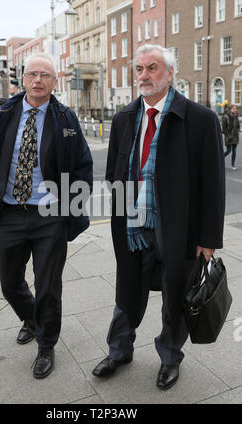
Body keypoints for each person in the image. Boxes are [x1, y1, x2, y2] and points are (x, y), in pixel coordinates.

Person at [92, 44, 225, 390]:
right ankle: (119, 350)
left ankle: (169, 357)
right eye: (139, 69)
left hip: (178, 229)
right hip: (134, 228)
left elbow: (213, 185)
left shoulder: (200, 119)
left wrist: (208, 240)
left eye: (152, 68)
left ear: (170, 74)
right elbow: (114, 174)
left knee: (174, 297)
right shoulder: (123, 119)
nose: (144, 76)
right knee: (127, 295)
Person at [0, 54, 93, 379]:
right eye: (33, 74)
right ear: (23, 79)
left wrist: (71, 206)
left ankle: (46, 345)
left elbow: (82, 165)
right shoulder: (1, 112)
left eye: (45, 75)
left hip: (50, 215)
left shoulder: (65, 118)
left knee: (49, 286)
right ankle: (32, 318)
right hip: (7, 211)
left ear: (54, 81)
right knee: (8, 280)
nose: (38, 80)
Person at [223, 104, 240, 170]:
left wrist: (237, 131)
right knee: (228, 151)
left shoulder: (236, 116)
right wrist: (227, 135)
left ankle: (233, 165)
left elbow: (238, 126)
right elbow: (224, 128)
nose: (235, 110)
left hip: (235, 137)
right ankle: (219, 160)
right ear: (230, 109)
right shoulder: (226, 117)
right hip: (229, 137)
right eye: (233, 108)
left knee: (234, 151)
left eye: (235, 108)